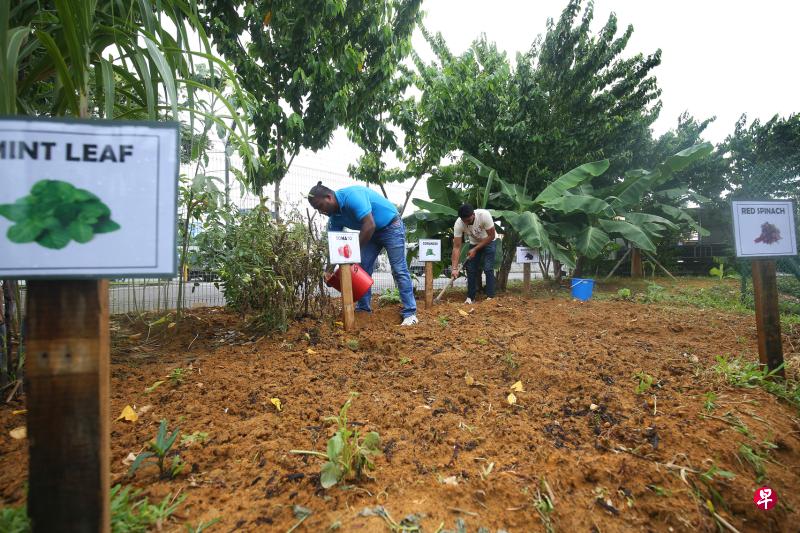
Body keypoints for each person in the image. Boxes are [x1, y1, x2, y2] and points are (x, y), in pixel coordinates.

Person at [308, 182, 418, 326]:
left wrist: (352, 255)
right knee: (363, 268)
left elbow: (370, 224)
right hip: (371, 233)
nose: (321, 212)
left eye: (320, 206)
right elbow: (335, 246)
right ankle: (363, 309)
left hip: (391, 226)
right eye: (317, 209)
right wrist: (329, 270)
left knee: (399, 269)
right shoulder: (334, 218)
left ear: (329, 197)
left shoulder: (352, 196)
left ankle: (410, 313)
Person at [450, 203, 496, 304]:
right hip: (474, 243)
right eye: (464, 221)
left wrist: (475, 249)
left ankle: (490, 297)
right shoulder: (459, 224)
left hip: (489, 241)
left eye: (469, 220)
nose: (466, 223)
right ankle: (470, 298)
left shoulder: (484, 215)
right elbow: (457, 247)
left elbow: (491, 236)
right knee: (471, 269)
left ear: (473, 214)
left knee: (488, 268)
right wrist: (454, 268)